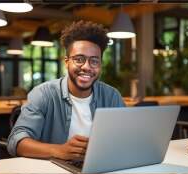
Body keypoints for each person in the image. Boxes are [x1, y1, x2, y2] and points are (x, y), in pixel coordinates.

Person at [7, 20, 125, 161]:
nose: (87, 67)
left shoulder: (112, 96)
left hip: (101, 169)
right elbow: (16, 141)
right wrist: (59, 151)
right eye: (79, 59)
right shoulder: (43, 94)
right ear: (66, 61)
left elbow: (126, 137)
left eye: (94, 61)